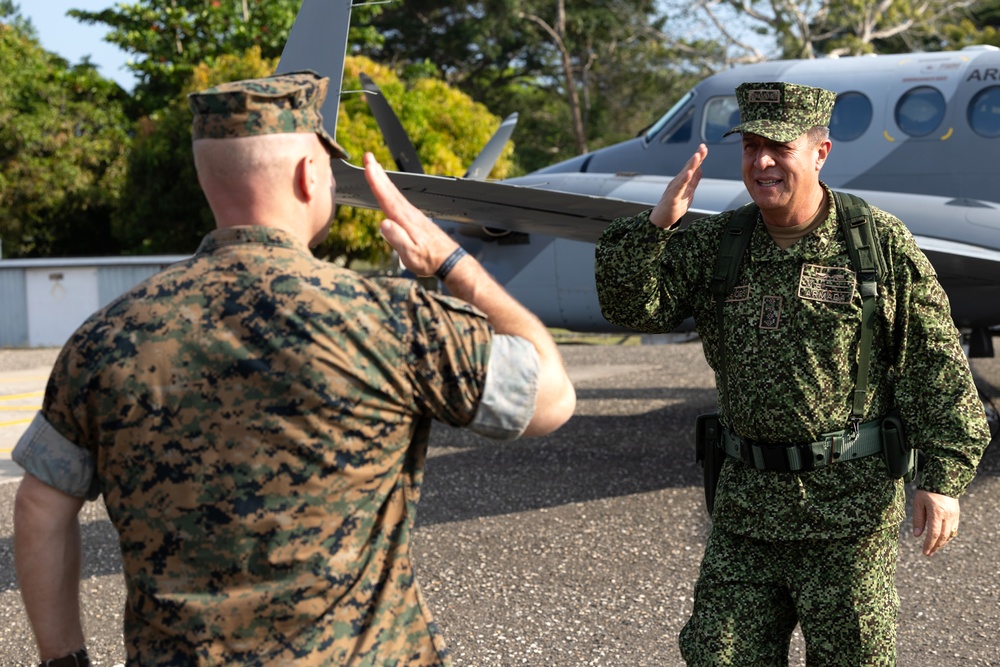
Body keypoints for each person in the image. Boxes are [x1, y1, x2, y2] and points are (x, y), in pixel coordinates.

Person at [13, 70, 576, 667]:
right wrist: (451, 260)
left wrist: (63, 661)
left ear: (208, 181)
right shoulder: (391, 319)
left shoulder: (105, 338)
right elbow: (551, 398)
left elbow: (41, 508)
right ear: (312, 176)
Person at [595, 81, 990, 666]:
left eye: (779, 147)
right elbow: (632, 308)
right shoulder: (718, 244)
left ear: (820, 153)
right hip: (745, 513)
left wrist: (944, 478)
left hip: (848, 516)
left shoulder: (875, 244)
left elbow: (933, 363)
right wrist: (657, 227)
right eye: (751, 146)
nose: (762, 162)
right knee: (716, 655)